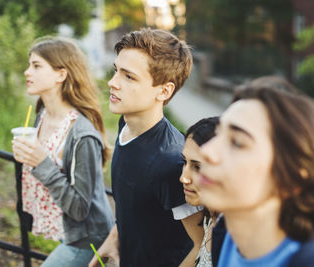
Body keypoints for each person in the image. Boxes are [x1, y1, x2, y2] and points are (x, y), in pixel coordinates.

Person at [196, 85, 314, 266]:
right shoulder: (225, 237)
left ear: (291, 179)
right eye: (217, 134)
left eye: (237, 143)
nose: (207, 151)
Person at [89, 28, 200, 267]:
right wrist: (114, 238)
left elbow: (200, 245)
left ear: (164, 90)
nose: (112, 83)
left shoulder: (172, 163)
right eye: (116, 71)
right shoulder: (125, 124)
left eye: (129, 77)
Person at [11, 36, 114, 266]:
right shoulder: (42, 116)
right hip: (67, 232)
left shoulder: (82, 135)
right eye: (30, 65)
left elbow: (79, 209)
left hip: (88, 238)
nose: (27, 72)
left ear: (61, 74)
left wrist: (41, 163)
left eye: (36, 66)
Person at [179, 117, 220, 267]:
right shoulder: (209, 218)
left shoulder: (237, 240)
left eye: (198, 167)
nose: (183, 178)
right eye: (184, 162)